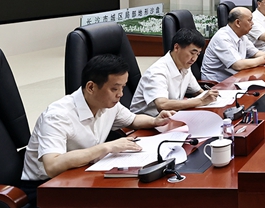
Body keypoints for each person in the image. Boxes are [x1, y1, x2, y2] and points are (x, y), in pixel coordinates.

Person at [22, 54, 174, 182]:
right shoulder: (57, 116)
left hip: (82, 173)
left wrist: (155, 121)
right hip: (45, 186)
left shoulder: (109, 104)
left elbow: (132, 120)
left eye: (123, 87)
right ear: (91, 87)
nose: (120, 94)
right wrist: (106, 147)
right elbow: (52, 166)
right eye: (114, 89)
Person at [130, 28, 220, 116]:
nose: (194, 58)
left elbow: (198, 91)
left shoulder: (185, 66)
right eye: (192, 53)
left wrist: (212, 97)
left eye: (197, 54)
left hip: (171, 117)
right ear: (176, 47)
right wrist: (200, 101)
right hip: (147, 122)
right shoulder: (157, 72)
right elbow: (162, 105)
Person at [201, 7, 265, 81]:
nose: (252, 23)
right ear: (238, 23)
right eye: (249, 20)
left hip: (235, 78)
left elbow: (255, 53)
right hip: (217, 84)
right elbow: (237, 65)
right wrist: (264, 59)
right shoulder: (222, 37)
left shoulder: (242, 36)